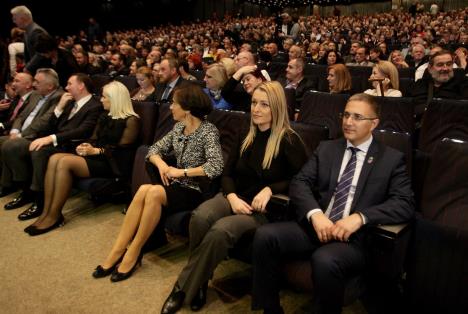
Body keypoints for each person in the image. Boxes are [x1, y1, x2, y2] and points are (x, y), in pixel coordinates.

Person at [251, 93, 415, 314]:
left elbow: (404, 203)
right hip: (317, 225)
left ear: (373, 123)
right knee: (265, 235)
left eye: (357, 117)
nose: (348, 122)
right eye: (346, 115)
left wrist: (360, 218)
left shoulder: (390, 159)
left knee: (324, 259)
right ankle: (270, 309)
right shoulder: (328, 149)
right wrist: (315, 214)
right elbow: (300, 182)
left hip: (353, 239)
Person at [161, 81, 307, 314]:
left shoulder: (289, 140)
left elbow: (302, 180)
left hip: (261, 210)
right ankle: (199, 282)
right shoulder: (245, 133)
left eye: (264, 105)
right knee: (200, 217)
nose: (256, 109)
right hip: (234, 196)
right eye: (253, 103)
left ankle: (183, 288)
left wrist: (271, 188)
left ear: (277, 107)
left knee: (220, 231)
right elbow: (226, 173)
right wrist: (231, 197)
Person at [92, 84, 223, 282]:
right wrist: (162, 165)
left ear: (187, 109)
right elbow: (153, 150)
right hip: (178, 186)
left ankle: (133, 252)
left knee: (152, 192)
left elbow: (215, 166)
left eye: (174, 103)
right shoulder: (179, 127)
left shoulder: (208, 131)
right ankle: (119, 249)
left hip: (197, 189)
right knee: (146, 188)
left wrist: (181, 171)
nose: (170, 107)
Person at [24, 81, 140, 236]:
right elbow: (93, 139)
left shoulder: (132, 120)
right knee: (54, 158)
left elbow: (122, 152)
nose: (101, 100)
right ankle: (47, 212)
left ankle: (54, 215)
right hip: (98, 157)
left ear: (115, 99)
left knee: (64, 162)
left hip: (113, 164)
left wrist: (96, 151)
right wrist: (86, 146)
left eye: (104, 97)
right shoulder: (105, 115)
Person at [2, 73, 102, 220]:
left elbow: (83, 130)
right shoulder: (68, 102)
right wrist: (59, 108)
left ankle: (39, 198)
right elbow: (49, 126)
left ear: (81, 86)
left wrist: (51, 138)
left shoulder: (95, 105)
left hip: (73, 145)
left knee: (40, 151)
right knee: (15, 147)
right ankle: (25, 190)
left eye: (69, 84)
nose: (66, 87)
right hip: (56, 141)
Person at [10, 5, 49, 74]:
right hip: (36, 71)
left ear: (23, 18)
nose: (14, 21)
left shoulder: (36, 31)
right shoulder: (27, 32)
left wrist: (27, 68)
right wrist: (23, 68)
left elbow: (41, 53)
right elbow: (28, 55)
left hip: (43, 73)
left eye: (15, 19)